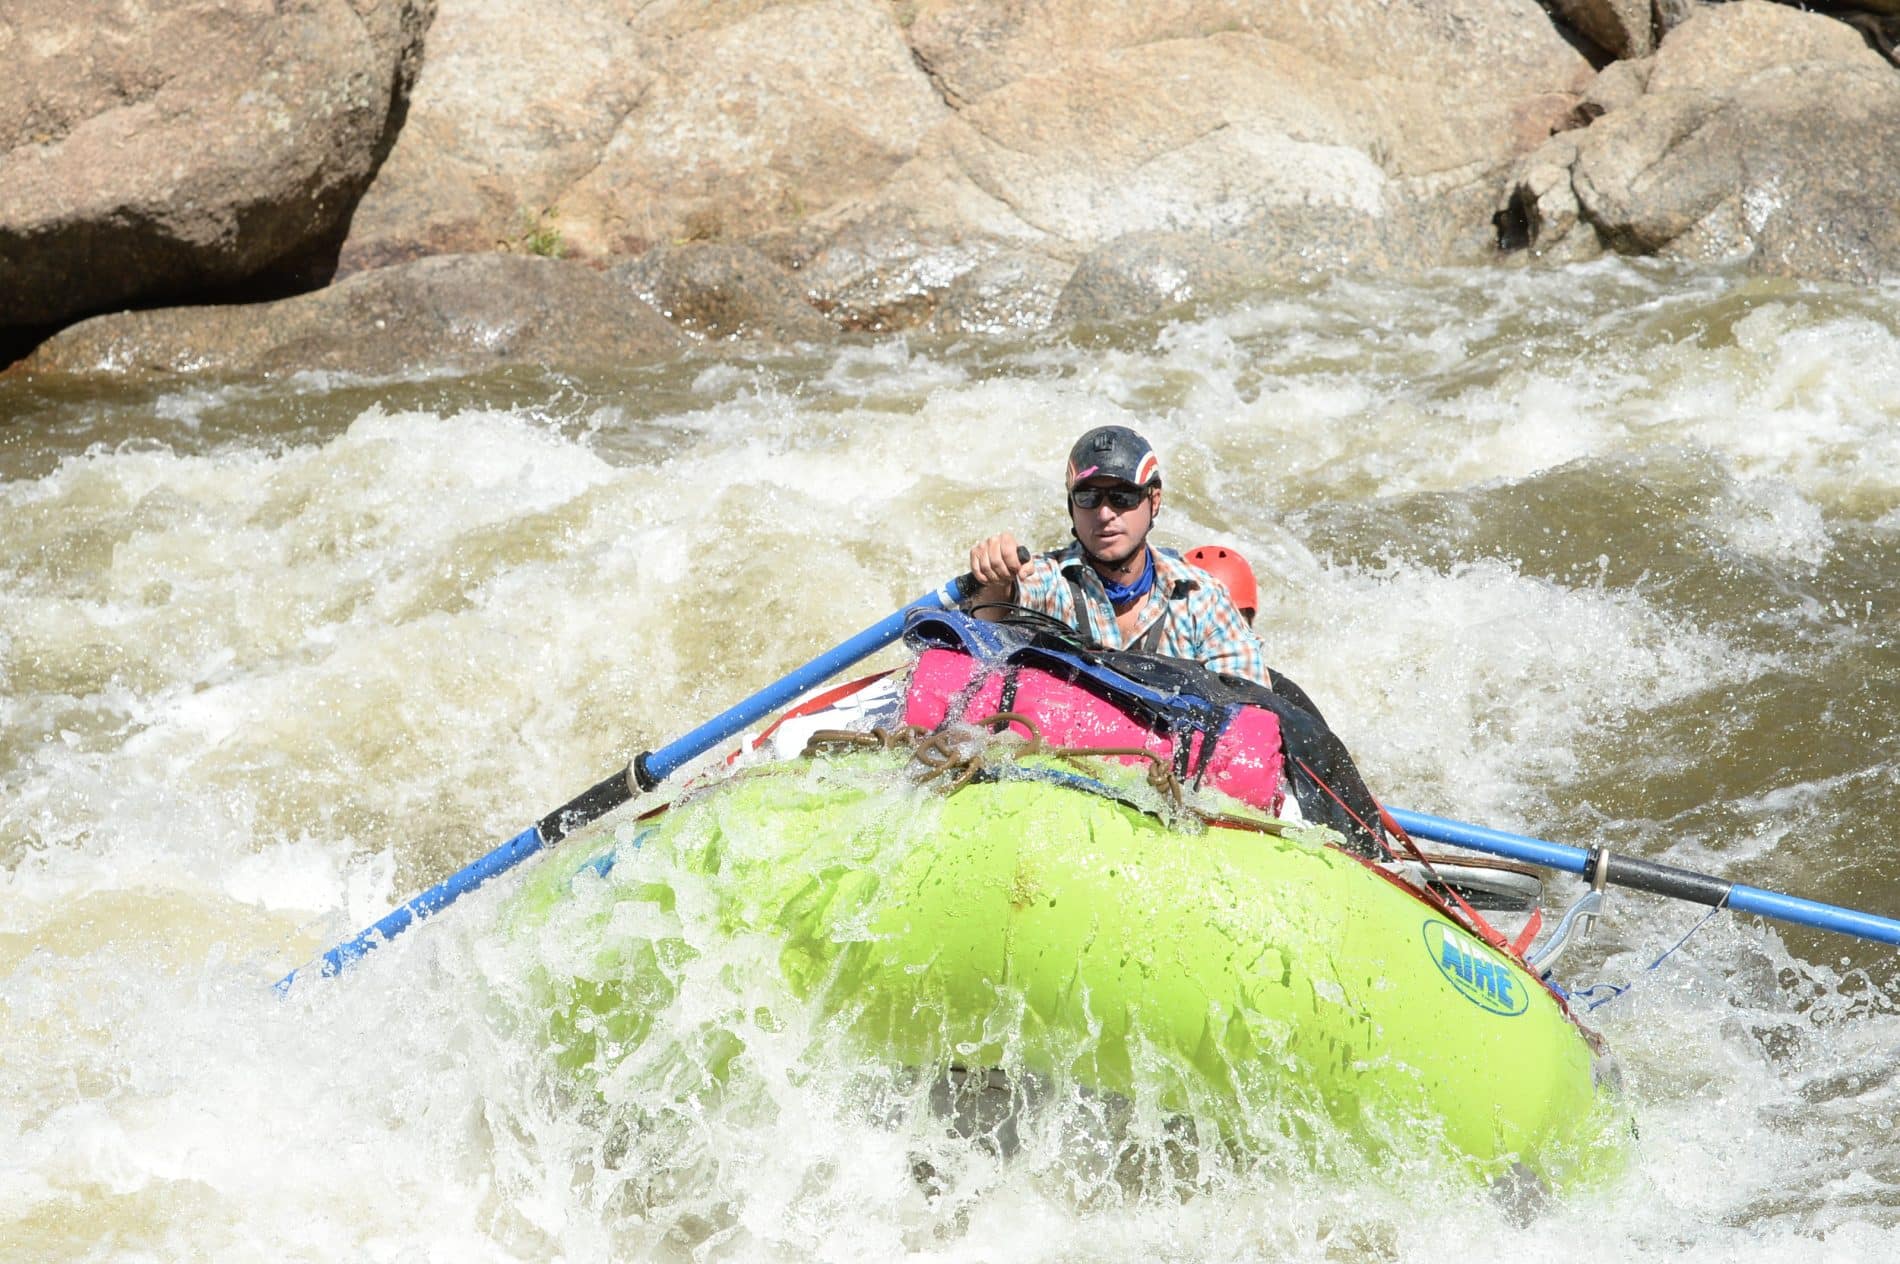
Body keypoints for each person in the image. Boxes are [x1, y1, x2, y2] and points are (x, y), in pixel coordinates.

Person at [965, 425, 1271, 687]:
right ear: (1071, 505)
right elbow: (992, 616)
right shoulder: (1048, 580)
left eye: (1122, 496)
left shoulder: (1201, 598)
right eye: (1089, 497)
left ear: (1154, 500)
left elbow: (1251, 710)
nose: (1105, 513)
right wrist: (994, 577)